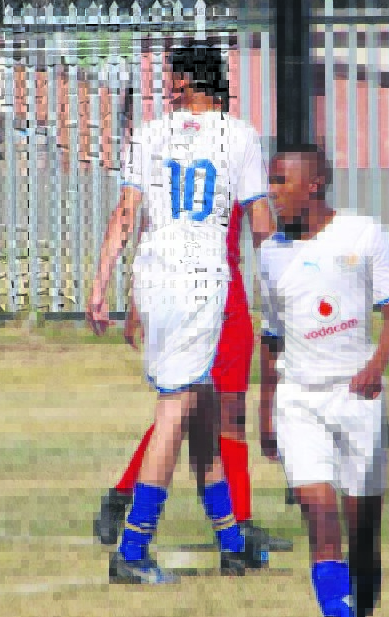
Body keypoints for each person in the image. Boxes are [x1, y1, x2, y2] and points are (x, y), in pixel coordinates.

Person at [85, 45, 274, 584]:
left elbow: (127, 214)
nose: (166, 87)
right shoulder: (240, 136)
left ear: (190, 81)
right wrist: (285, 282)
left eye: (171, 77)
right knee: (175, 410)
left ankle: (232, 543)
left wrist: (101, 285)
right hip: (201, 282)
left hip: (154, 278)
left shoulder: (149, 134)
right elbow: (260, 224)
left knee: (203, 408)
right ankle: (133, 547)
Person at [95, 200, 292, 553]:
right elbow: (148, 228)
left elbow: (263, 226)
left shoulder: (240, 166)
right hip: (182, 294)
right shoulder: (166, 171)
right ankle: (121, 497)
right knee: (182, 406)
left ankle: (240, 522)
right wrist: (138, 299)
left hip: (228, 294)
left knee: (231, 412)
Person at [259, 144, 389, 617]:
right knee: (320, 517)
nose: (272, 191)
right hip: (299, 400)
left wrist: (374, 367)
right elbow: (272, 336)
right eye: (271, 181)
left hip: (357, 397)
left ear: (315, 183)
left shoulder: (363, 234)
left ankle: (360, 599)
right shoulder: (271, 253)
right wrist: (265, 411)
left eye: (282, 181)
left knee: (362, 532)